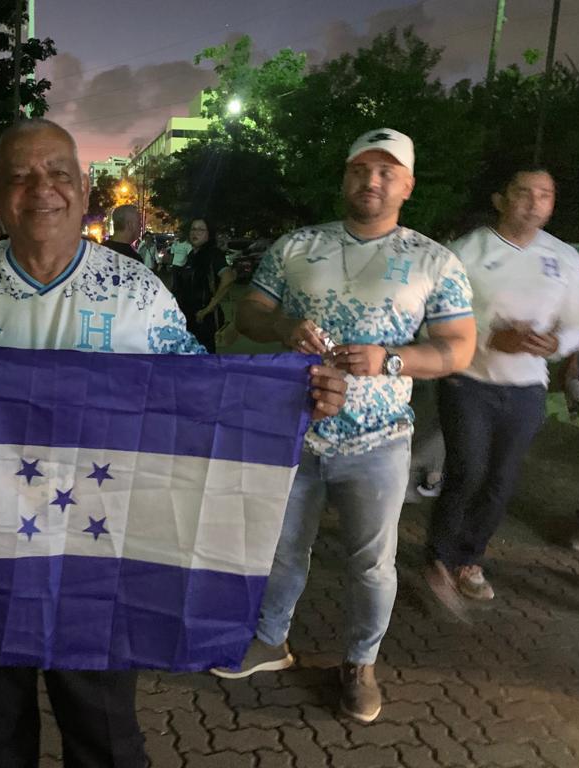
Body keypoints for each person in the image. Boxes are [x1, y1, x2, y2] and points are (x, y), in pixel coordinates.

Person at [0, 118, 347, 766]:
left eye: (58, 173)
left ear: (84, 187)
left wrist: (294, 399)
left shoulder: (138, 295)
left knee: (105, 737)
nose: (42, 189)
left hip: (97, 551)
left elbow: (202, 400)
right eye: (20, 176)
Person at [221, 128, 476, 724]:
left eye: (388, 171)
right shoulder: (298, 247)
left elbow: (458, 348)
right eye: (362, 168)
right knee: (283, 549)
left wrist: (390, 359)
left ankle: (360, 663)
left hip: (379, 440)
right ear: (345, 176)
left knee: (370, 563)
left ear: (407, 185)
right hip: (294, 428)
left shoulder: (434, 260)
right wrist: (284, 328)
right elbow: (250, 311)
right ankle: (270, 641)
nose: (372, 180)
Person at [426, 168, 579, 586]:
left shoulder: (566, 258)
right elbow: (436, 315)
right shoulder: (467, 251)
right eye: (524, 192)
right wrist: (488, 337)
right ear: (501, 200)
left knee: (501, 480)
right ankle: (438, 558)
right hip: (469, 381)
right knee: (467, 471)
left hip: (526, 389)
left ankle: (470, 559)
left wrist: (555, 345)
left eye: (545, 194)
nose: (534, 202)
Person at [173, 218, 229, 352]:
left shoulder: (213, 254)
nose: (195, 233)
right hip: (189, 317)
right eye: (193, 229)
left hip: (203, 319)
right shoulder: (192, 254)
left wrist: (208, 309)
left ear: (209, 234)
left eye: (201, 229)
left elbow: (228, 277)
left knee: (204, 358)